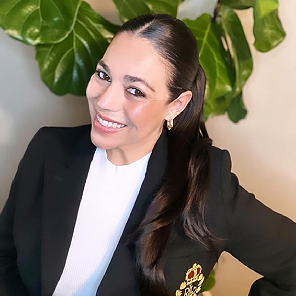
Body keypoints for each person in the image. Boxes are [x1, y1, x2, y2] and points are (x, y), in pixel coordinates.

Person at [0, 13, 295, 296]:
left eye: (135, 91)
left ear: (176, 106)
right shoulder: (47, 149)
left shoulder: (206, 186)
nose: (104, 101)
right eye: (104, 75)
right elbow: (4, 258)